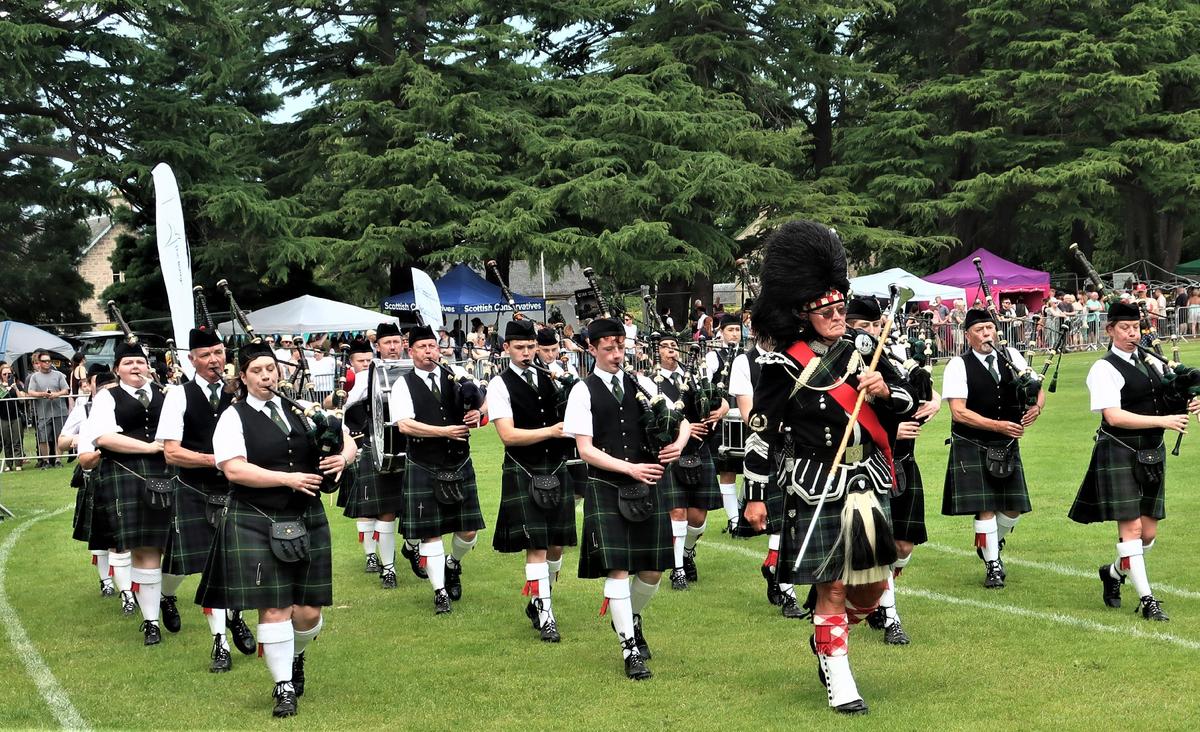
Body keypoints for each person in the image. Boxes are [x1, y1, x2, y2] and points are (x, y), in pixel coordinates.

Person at [745, 221, 917, 714]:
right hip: (816, 483)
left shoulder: (864, 350)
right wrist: (755, 497)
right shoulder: (782, 365)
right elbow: (760, 432)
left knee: (873, 586)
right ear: (803, 313)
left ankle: (826, 639)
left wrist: (885, 391)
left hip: (868, 478)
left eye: (842, 309)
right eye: (829, 312)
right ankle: (840, 680)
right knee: (834, 585)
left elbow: (909, 402)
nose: (839, 317)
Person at [198, 343, 355, 718]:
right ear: (243, 377)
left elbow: (345, 437)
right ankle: (283, 686)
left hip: (306, 515)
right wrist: (286, 479)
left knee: (308, 612)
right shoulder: (233, 417)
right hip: (255, 516)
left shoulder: (302, 410)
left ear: (279, 372)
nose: (265, 376)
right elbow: (234, 468)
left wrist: (343, 458)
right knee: (274, 607)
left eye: (270, 368)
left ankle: (295, 656)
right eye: (256, 371)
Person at [563, 317, 690, 680]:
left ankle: (630, 617)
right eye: (608, 349)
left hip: (647, 486)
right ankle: (629, 648)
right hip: (607, 486)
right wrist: (629, 468)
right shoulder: (582, 391)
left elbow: (681, 419)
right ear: (592, 349)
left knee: (652, 571)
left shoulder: (642, 383)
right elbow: (585, 450)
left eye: (620, 347)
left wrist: (678, 445)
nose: (617, 355)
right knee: (618, 568)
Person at [1069, 301, 1199, 621]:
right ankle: (1148, 601)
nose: (1132, 334)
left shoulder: (1151, 361)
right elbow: (1113, 416)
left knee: (1147, 534)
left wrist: (1189, 397)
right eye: (1124, 328)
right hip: (1118, 449)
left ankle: (1113, 573)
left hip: (1151, 452)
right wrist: (1164, 421)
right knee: (1132, 528)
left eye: (1136, 327)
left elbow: (1166, 397)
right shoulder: (1103, 368)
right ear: (1110, 330)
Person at [157, 327, 257, 671]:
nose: (214, 360)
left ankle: (226, 631)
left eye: (218, 352)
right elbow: (171, 452)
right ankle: (166, 595)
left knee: (232, 563)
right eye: (205, 355)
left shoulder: (240, 392)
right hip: (194, 489)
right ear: (191, 359)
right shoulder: (178, 395)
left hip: (237, 488)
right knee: (188, 567)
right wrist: (216, 460)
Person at [844, 297, 941, 645]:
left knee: (903, 546)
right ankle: (889, 615)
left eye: (874, 325)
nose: (870, 332)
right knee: (883, 545)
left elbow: (913, 390)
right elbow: (846, 417)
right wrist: (889, 431)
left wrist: (935, 401)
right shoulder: (844, 361)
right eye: (862, 326)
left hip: (904, 462)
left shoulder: (889, 355)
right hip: (871, 462)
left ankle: (877, 599)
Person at [941, 308, 1045, 589]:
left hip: (1006, 444)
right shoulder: (958, 365)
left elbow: (1036, 388)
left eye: (989, 328)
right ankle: (993, 565)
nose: (986, 334)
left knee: (1013, 509)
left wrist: (1036, 407)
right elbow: (958, 412)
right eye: (979, 330)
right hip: (972, 443)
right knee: (985, 507)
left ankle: (991, 544)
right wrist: (997, 426)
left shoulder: (1012, 357)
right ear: (968, 336)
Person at [487, 319, 576, 642]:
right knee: (536, 545)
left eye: (530, 347)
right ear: (506, 348)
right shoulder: (499, 385)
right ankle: (547, 615)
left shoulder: (551, 377)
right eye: (519, 347)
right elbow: (508, 435)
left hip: (556, 466)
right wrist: (550, 431)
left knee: (556, 545)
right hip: (523, 468)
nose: (526, 353)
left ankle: (539, 599)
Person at [391, 325, 487, 614]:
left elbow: (486, 403)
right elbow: (404, 424)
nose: (429, 351)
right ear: (411, 351)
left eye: (432, 346)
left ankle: (452, 564)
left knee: (468, 531)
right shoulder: (403, 384)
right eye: (422, 347)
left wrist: (478, 412)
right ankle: (440, 592)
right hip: (424, 462)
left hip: (459, 461)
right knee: (431, 532)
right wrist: (443, 431)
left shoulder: (456, 375)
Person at [85, 341, 173, 644]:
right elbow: (103, 437)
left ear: (148, 366)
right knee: (144, 548)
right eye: (128, 362)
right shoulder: (107, 397)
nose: (136, 367)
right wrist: (150, 447)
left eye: (140, 361)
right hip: (127, 473)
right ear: (117, 370)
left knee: (176, 546)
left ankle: (167, 596)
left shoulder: (167, 394)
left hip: (169, 472)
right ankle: (151, 622)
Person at [729, 325, 800, 616]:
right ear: (758, 330)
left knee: (794, 518)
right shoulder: (744, 362)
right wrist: (782, 425)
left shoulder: (794, 357)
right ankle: (787, 591)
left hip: (800, 445)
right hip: (765, 446)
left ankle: (773, 567)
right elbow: (750, 415)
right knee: (780, 520)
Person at [341, 323, 415, 588]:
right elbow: (343, 407)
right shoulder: (367, 376)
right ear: (378, 346)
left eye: (397, 342)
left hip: (415, 446)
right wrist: (346, 436)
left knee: (417, 506)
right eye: (387, 343)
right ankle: (387, 568)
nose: (393, 347)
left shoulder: (413, 369)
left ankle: (413, 547)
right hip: (379, 448)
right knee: (384, 511)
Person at [653, 334, 723, 591]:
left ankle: (686, 552)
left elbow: (719, 398)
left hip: (699, 450)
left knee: (697, 518)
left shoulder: (693, 376)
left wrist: (721, 410)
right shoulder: (650, 381)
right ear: (656, 353)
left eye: (674, 346)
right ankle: (678, 569)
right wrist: (684, 428)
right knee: (678, 512)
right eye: (664, 347)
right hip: (672, 452)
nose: (671, 350)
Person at [60, 365, 116, 595]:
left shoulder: (122, 405)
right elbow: (62, 442)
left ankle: (129, 584)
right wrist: (80, 438)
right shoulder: (83, 409)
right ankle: (106, 581)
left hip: (119, 471)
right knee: (99, 531)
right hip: (92, 472)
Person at [704, 314, 740, 533]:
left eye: (737, 330)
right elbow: (705, 387)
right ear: (721, 332)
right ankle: (734, 520)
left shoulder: (746, 356)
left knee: (751, 468)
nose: (734, 334)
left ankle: (741, 515)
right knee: (728, 470)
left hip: (745, 417)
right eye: (730, 330)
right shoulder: (713, 356)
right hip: (723, 420)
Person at [26, 351, 70, 469]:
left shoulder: (58, 374)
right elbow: (30, 392)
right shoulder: (34, 377)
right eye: (44, 361)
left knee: (59, 437)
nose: (47, 363)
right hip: (43, 412)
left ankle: (58, 460)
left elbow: (66, 390)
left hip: (60, 411)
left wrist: (56, 394)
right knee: (43, 437)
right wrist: (42, 394)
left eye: (49, 361)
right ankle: (45, 461)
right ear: (39, 363)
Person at [0, 362, 27, 471]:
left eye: (9, 374)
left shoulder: (17, 385)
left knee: (17, 440)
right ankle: (8, 464)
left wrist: (15, 388)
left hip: (16, 416)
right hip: (3, 417)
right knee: (6, 441)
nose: (7, 376)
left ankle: (18, 463)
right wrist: (3, 388)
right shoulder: (0, 386)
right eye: (4, 374)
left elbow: (22, 400)